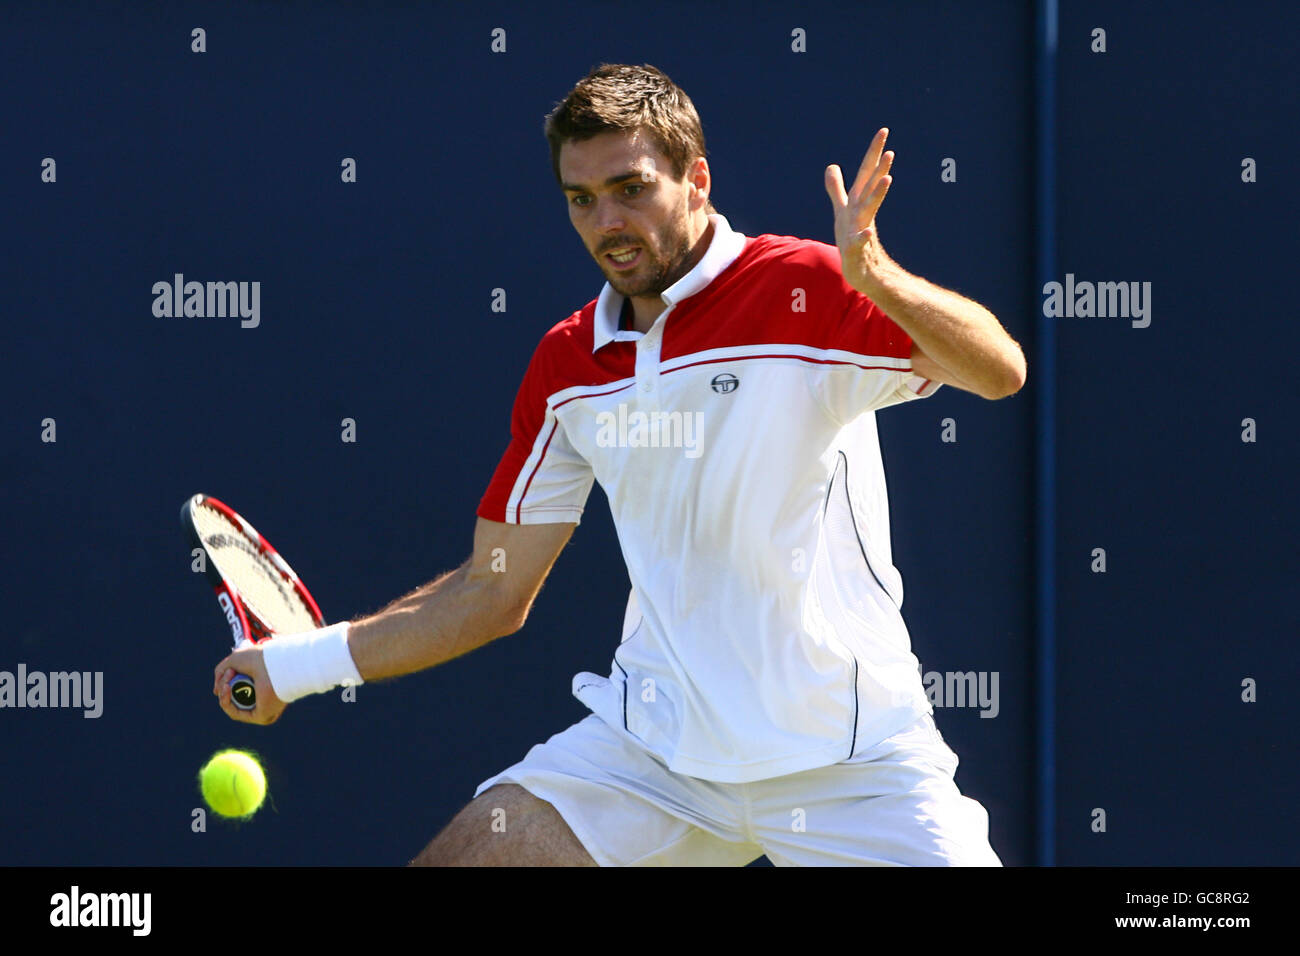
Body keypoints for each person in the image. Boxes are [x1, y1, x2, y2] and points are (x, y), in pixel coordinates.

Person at [213, 63, 1025, 866]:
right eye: (581, 199)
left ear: (696, 180)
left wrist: (874, 275)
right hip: (653, 758)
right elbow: (493, 590)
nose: (607, 221)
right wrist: (292, 666)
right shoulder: (569, 365)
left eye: (631, 188)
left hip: (851, 762)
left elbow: (1000, 371)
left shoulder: (806, 289)